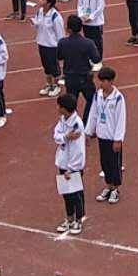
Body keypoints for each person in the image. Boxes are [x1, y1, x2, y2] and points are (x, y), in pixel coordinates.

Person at [86, 65, 126, 203]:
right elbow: (93, 113)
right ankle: (108, 186)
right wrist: (89, 132)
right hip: (102, 135)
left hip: (112, 137)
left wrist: (118, 139)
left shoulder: (118, 98)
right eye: (100, 81)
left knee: (115, 163)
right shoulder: (98, 95)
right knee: (105, 163)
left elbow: (121, 120)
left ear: (111, 81)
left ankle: (115, 188)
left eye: (103, 81)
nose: (101, 83)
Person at [52, 91, 87, 234]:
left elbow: (78, 150)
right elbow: (56, 136)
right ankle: (69, 218)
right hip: (63, 163)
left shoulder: (77, 124)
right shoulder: (62, 120)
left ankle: (78, 219)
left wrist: (71, 169)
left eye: (59, 106)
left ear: (65, 108)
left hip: (73, 166)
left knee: (76, 194)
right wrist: (66, 136)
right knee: (66, 193)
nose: (57, 108)